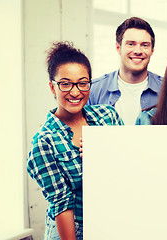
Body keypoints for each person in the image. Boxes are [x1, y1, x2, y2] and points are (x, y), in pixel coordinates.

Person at [27, 41, 123, 240]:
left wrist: (104, 153)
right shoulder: (44, 142)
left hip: (110, 220)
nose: (75, 91)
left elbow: (129, 162)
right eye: (65, 83)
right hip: (72, 229)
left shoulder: (108, 116)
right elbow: (62, 204)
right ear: (52, 87)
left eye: (82, 83)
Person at [87, 17, 163, 125]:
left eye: (144, 45)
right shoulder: (93, 90)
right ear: (118, 48)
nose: (137, 51)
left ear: (152, 50)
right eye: (130, 44)